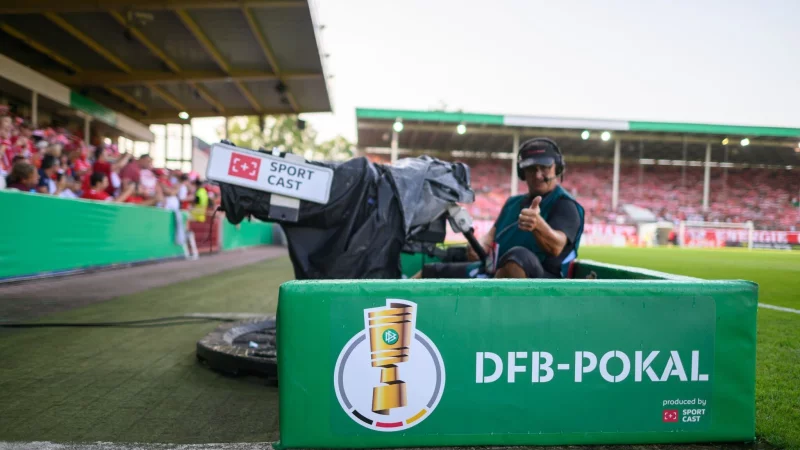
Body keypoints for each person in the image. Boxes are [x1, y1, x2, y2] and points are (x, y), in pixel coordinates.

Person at [417, 138, 584, 279]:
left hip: (543, 285)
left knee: (518, 255)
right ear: (522, 173)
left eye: (545, 168)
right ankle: (393, 301)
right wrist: (480, 246)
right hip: (493, 272)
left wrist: (538, 225)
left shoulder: (566, 205)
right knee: (430, 272)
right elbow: (490, 238)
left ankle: (492, 310)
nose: (538, 175)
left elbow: (556, 247)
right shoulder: (512, 203)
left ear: (558, 168)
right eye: (532, 169)